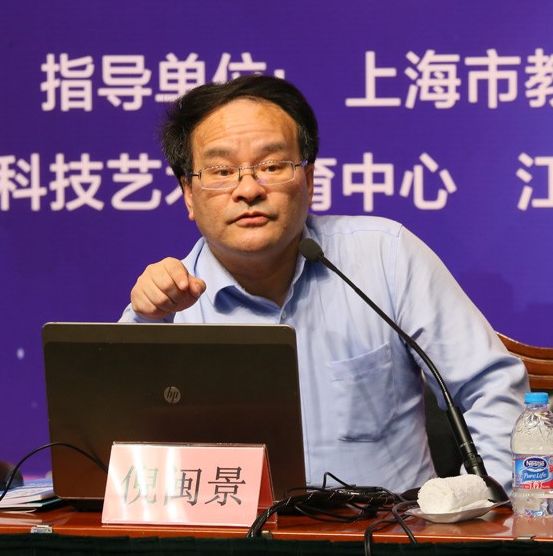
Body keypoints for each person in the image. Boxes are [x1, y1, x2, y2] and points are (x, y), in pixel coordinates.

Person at [120, 74, 529, 493]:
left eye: (272, 166)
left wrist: (488, 499)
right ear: (189, 193)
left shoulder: (385, 256)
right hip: (233, 532)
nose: (249, 189)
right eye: (222, 171)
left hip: (391, 528)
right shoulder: (165, 308)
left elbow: (490, 386)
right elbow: (117, 457)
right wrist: (145, 325)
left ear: (309, 178)